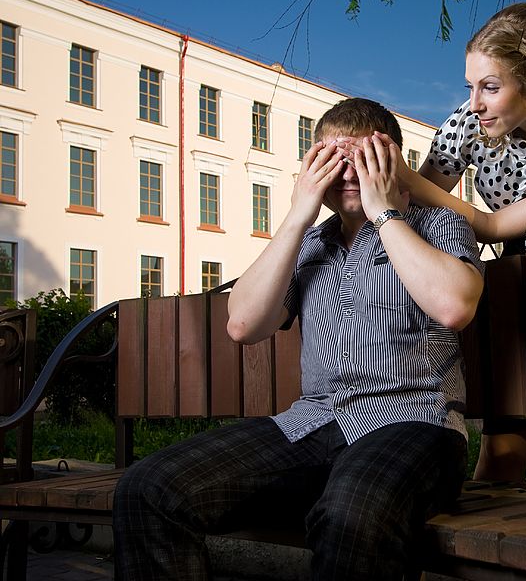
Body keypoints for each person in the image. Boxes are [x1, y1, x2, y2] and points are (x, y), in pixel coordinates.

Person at [112, 97, 485, 580]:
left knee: (352, 511)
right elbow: (244, 325)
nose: (347, 173)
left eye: (364, 157)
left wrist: (382, 212)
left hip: (416, 425)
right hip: (310, 426)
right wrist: (296, 217)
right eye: (331, 160)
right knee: (148, 488)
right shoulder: (309, 243)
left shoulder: (438, 225)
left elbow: (455, 305)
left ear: (393, 159)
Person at [340, 3, 526, 490]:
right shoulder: (470, 123)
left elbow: (494, 226)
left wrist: (403, 178)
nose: (475, 103)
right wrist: (384, 181)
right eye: (470, 86)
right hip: (521, 278)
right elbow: (422, 207)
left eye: (490, 87)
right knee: (504, 439)